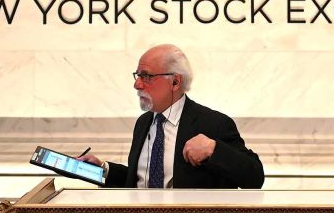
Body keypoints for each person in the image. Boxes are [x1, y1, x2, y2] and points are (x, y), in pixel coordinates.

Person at [79, 44, 263, 189]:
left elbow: (254, 177)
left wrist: (214, 150)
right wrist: (104, 169)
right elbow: (142, 182)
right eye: (137, 76)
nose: (137, 84)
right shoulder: (143, 123)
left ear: (175, 81)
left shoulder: (214, 123)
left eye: (146, 76)